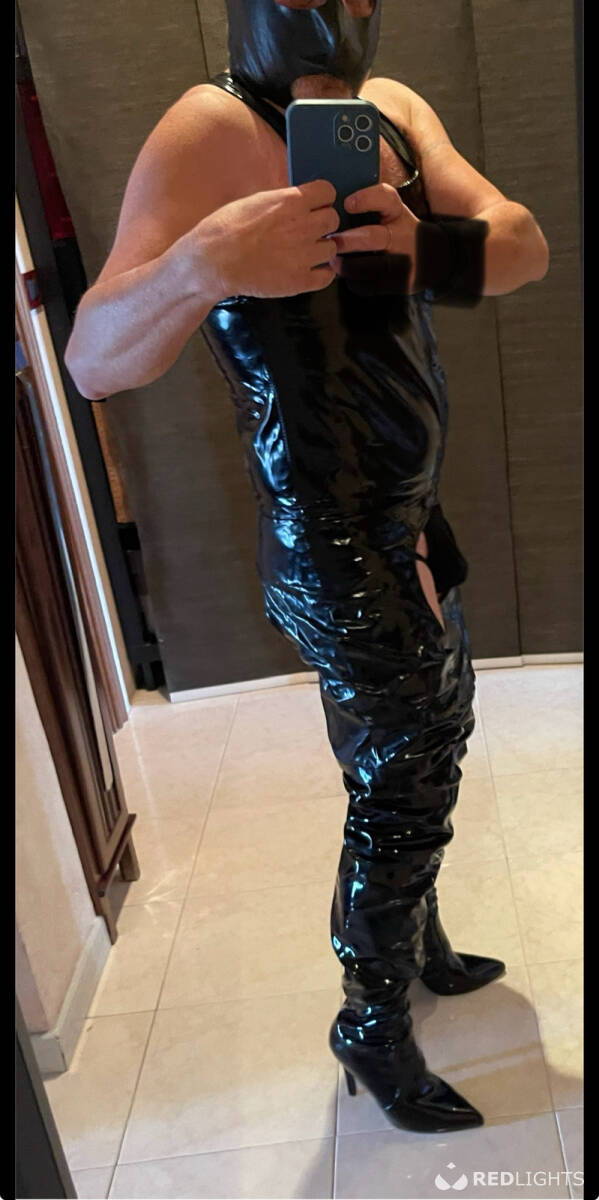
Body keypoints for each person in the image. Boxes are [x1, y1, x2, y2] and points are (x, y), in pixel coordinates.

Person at [64, 0, 549, 1134]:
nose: (346, 9)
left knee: (422, 738)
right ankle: (369, 1022)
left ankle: (413, 941)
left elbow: (521, 248)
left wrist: (426, 245)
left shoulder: (391, 112)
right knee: (406, 770)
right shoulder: (207, 126)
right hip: (327, 535)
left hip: (411, 508)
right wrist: (201, 265)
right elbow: (91, 360)